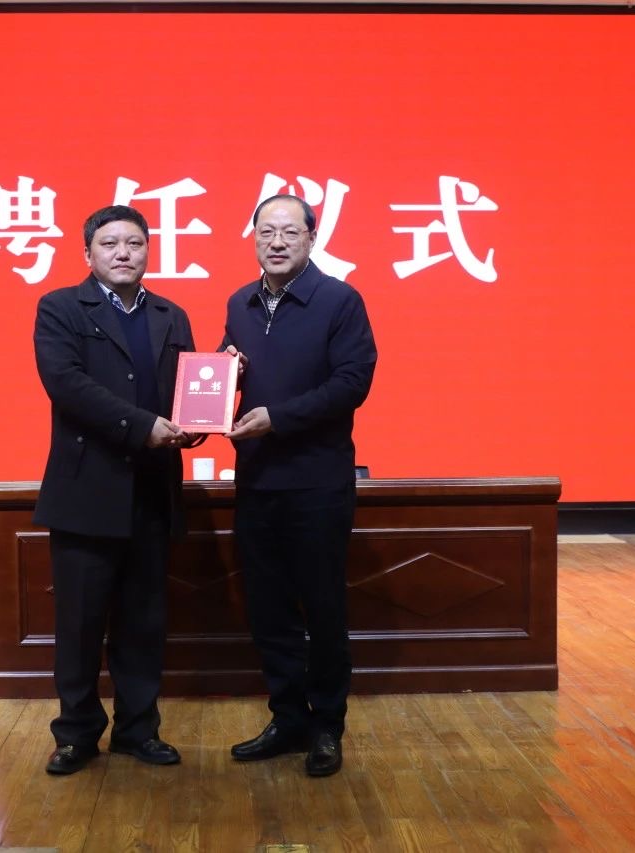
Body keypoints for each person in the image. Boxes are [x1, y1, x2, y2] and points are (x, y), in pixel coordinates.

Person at [33, 205, 196, 775]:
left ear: (149, 251)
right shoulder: (60, 307)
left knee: (143, 622)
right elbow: (66, 384)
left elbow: (185, 394)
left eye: (135, 243)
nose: (123, 252)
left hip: (151, 490)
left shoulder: (171, 314)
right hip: (87, 489)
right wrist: (142, 425)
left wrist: (202, 415)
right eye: (110, 243)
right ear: (88, 253)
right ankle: (76, 734)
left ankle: (138, 730)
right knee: (79, 623)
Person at [222, 194, 377, 777]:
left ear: (312, 238)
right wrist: (224, 374)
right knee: (268, 609)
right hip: (257, 479)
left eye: (290, 232)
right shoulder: (240, 302)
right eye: (266, 232)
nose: (277, 242)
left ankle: (327, 726)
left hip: (317, 483)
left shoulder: (339, 300)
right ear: (254, 239)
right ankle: (287, 719)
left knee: (323, 607)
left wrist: (278, 418)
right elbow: (227, 374)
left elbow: (352, 383)